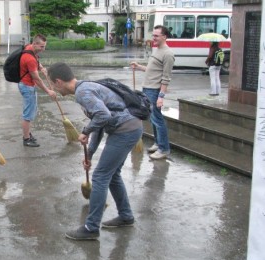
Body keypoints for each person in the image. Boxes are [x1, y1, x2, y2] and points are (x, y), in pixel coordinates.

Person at [47, 62, 143, 241]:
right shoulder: (85, 87)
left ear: (58, 81)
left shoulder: (83, 93)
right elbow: (100, 121)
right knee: (112, 175)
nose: (53, 88)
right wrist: (89, 153)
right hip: (129, 128)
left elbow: (103, 116)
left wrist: (85, 131)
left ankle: (91, 228)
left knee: (100, 176)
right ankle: (126, 216)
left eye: (52, 84)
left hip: (125, 131)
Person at [131, 25, 174, 160]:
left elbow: (166, 78)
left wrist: (161, 96)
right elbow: (152, 70)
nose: (153, 38)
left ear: (164, 37)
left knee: (157, 119)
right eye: (153, 35)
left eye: (156, 36)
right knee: (153, 119)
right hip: (147, 88)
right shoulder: (157, 50)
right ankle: (158, 143)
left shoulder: (168, 54)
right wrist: (139, 67)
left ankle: (164, 149)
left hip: (155, 91)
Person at [18, 34, 56, 147]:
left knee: (30, 111)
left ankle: (28, 134)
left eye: (44, 46)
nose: (43, 49)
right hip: (27, 86)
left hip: (26, 84)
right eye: (41, 46)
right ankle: (26, 139)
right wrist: (48, 91)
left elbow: (36, 59)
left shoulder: (29, 48)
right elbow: (37, 79)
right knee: (28, 115)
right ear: (34, 44)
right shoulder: (29, 59)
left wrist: (41, 68)